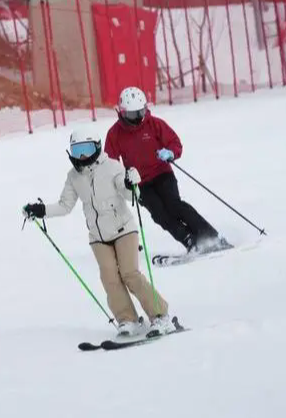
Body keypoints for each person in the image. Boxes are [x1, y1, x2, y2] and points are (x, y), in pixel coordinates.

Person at [22, 127, 173, 336]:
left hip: (124, 230)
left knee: (130, 273)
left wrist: (131, 184)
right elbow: (65, 205)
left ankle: (160, 316)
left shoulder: (112, 167)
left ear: (97, 146)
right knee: (109, 277)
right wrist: (41, 211)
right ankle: (127, 320)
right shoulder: (73, 176)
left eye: (86, 149)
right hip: (98, 236)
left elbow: (130, 196)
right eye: (77, 151)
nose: (82, 156)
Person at [104, 86, 230, 254]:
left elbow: (174, 142)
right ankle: (189, 240)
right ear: (123, 112)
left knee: (175, 205)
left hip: (162, 173)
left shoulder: (154, 124)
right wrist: (123, 179)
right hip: (140, 183)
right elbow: (110, 163)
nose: (137, 119)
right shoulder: (115, 134)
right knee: (159, 214)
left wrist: (170, 152)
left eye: (140, 112)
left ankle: (209, 235)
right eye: (132, 115)